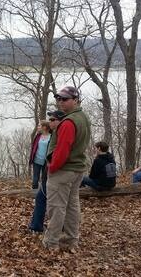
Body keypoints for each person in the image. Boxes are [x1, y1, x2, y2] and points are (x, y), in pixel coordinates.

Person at [42, 86, 91, 251]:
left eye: (65, 99)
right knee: (71, 205)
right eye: (59, 99)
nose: (60, 102)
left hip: (63, 171)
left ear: (75, 100)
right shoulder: (82, 117)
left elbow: (62, 151)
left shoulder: (69, 122)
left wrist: (52, 168)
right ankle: (71, 240)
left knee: (56, 207)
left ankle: (52, 242)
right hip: (77, 169)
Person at [28, 110, 66, 233]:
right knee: (41, 197)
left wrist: (51, 167)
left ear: (60, 121)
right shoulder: (53, 134)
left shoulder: (60, 134)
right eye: (49, 120)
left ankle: (57, 229)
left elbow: (60, 154)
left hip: (56, 173)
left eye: (52, 120)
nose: (50, 122)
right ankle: (38, 227)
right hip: (48, 170)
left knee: (55, 202)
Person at [29, 120, 52, 189]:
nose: (38, 127)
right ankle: (34, 194)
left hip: (46, 161)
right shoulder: (38, 136)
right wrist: (31, 158)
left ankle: (43, 195)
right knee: (35, 179)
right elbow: (34, 148)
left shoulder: (51, 137)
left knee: (44, 179)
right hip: (36, 160)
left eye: (39, 126)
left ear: (44, 127)